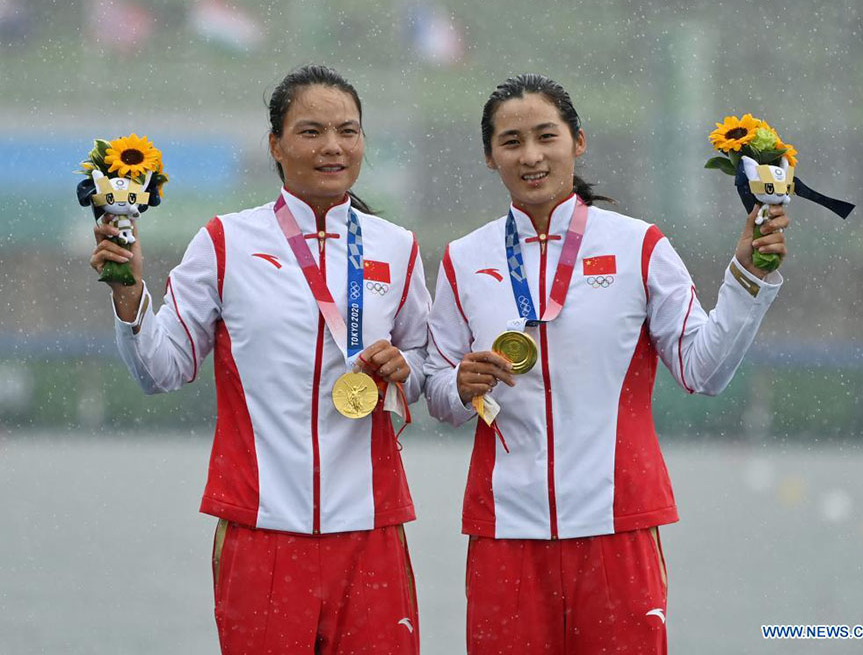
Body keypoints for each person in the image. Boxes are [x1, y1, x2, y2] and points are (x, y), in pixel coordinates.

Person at [424, 74, 789, 654]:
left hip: (617, 525)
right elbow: (439, 394)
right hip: (505, 531)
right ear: (490, 157)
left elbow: (702, 371)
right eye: (511, 142)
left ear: (578, 141)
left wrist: (747, 278)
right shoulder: (464, 259)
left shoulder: (638, 246)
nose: (531, 155)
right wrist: (459, 386)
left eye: (546, 136)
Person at [89, 65, 429, 654]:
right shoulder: (226, 242)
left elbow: (424, 364)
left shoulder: (397, 247)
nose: (332, 147)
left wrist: (406, 371)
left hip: (371, 530)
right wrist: (129, 293)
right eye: (311, 131)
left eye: (347, 131)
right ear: (275, 144)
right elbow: (159, 370)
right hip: (261, 528)